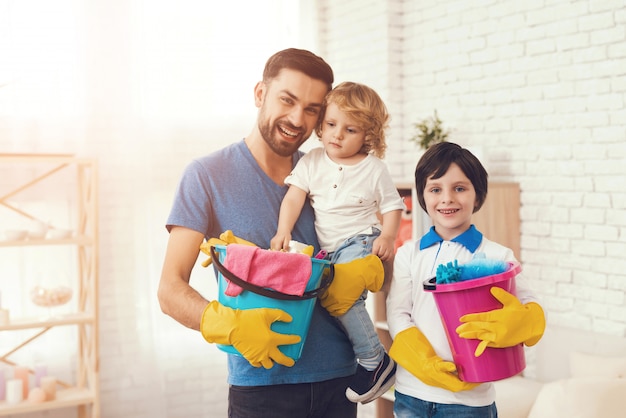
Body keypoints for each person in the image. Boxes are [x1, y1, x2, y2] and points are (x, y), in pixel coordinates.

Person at [158, 48, 376, 418]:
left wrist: (372, 269)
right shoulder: (206, 176)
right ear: (260, 93)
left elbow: (367, 247)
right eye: (287, 100)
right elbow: (169, 289)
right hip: (261, 387)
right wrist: (229, 326)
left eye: (311, 109)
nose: (297, 119)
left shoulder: (328, 172)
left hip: (340, 380)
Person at [386, 142, 546, 417]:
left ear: (478, 195)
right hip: (411, 393)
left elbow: (529, 306)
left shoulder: (497, 256)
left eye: (459, 188)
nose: (447, 198)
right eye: (435, 189)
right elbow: (398, 314)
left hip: (470, 402)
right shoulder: (408, 254)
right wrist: (424, 363)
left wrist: (525, 320)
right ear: (423, 197)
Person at [270, 81, 404, 404]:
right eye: (330, 124)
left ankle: (374, 359)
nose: (337, 135)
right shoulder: (313, 161)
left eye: (350, 129)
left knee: (340, 295)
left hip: (361, 240)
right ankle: (374, 357)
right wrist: (282, 230)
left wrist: (387, 236)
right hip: (330, 251)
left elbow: (393, 206)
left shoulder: (374, 169)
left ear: (368, 135)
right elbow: (293, 198)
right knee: (337, 299)